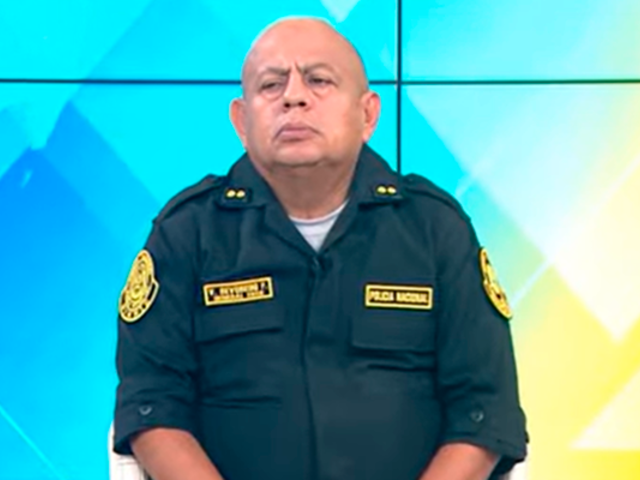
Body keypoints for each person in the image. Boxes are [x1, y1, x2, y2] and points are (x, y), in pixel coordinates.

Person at [113, 16, 527, 480]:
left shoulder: (434, 229)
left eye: (319, 80)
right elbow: (151, 405)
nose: (293, 96)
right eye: (271, 85)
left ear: (367, 114)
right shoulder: (187, 233)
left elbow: (484, 409)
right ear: (241, 121)